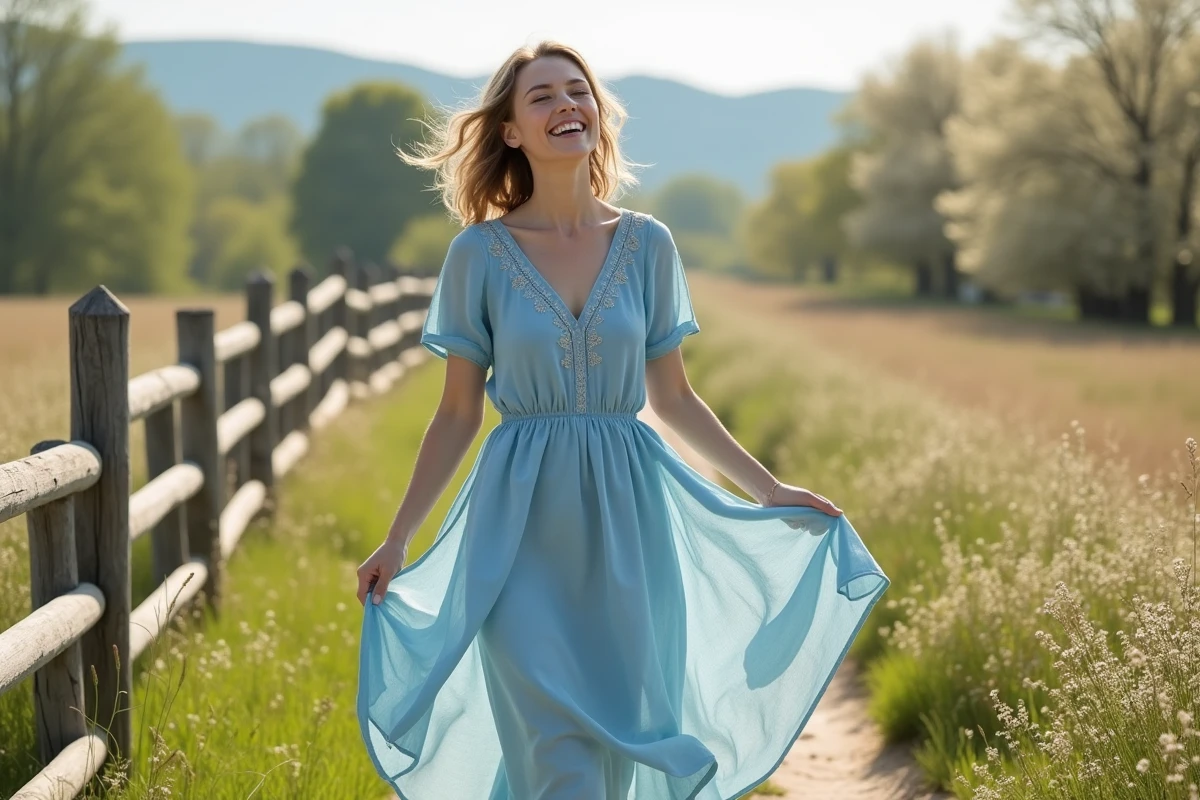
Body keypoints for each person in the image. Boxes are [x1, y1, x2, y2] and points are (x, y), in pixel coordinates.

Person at [355, 40, 889, 800]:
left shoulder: (648, 245)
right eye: (541, 96)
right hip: (517, 534)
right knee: (554, 759)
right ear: (511, 130)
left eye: (579, 92)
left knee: (624, 751)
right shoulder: (478, 253)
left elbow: (674, 400)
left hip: (631, 527)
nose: (566, 105)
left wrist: (768, 490)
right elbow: (456, 414)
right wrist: (399, 536)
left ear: (599, 116)